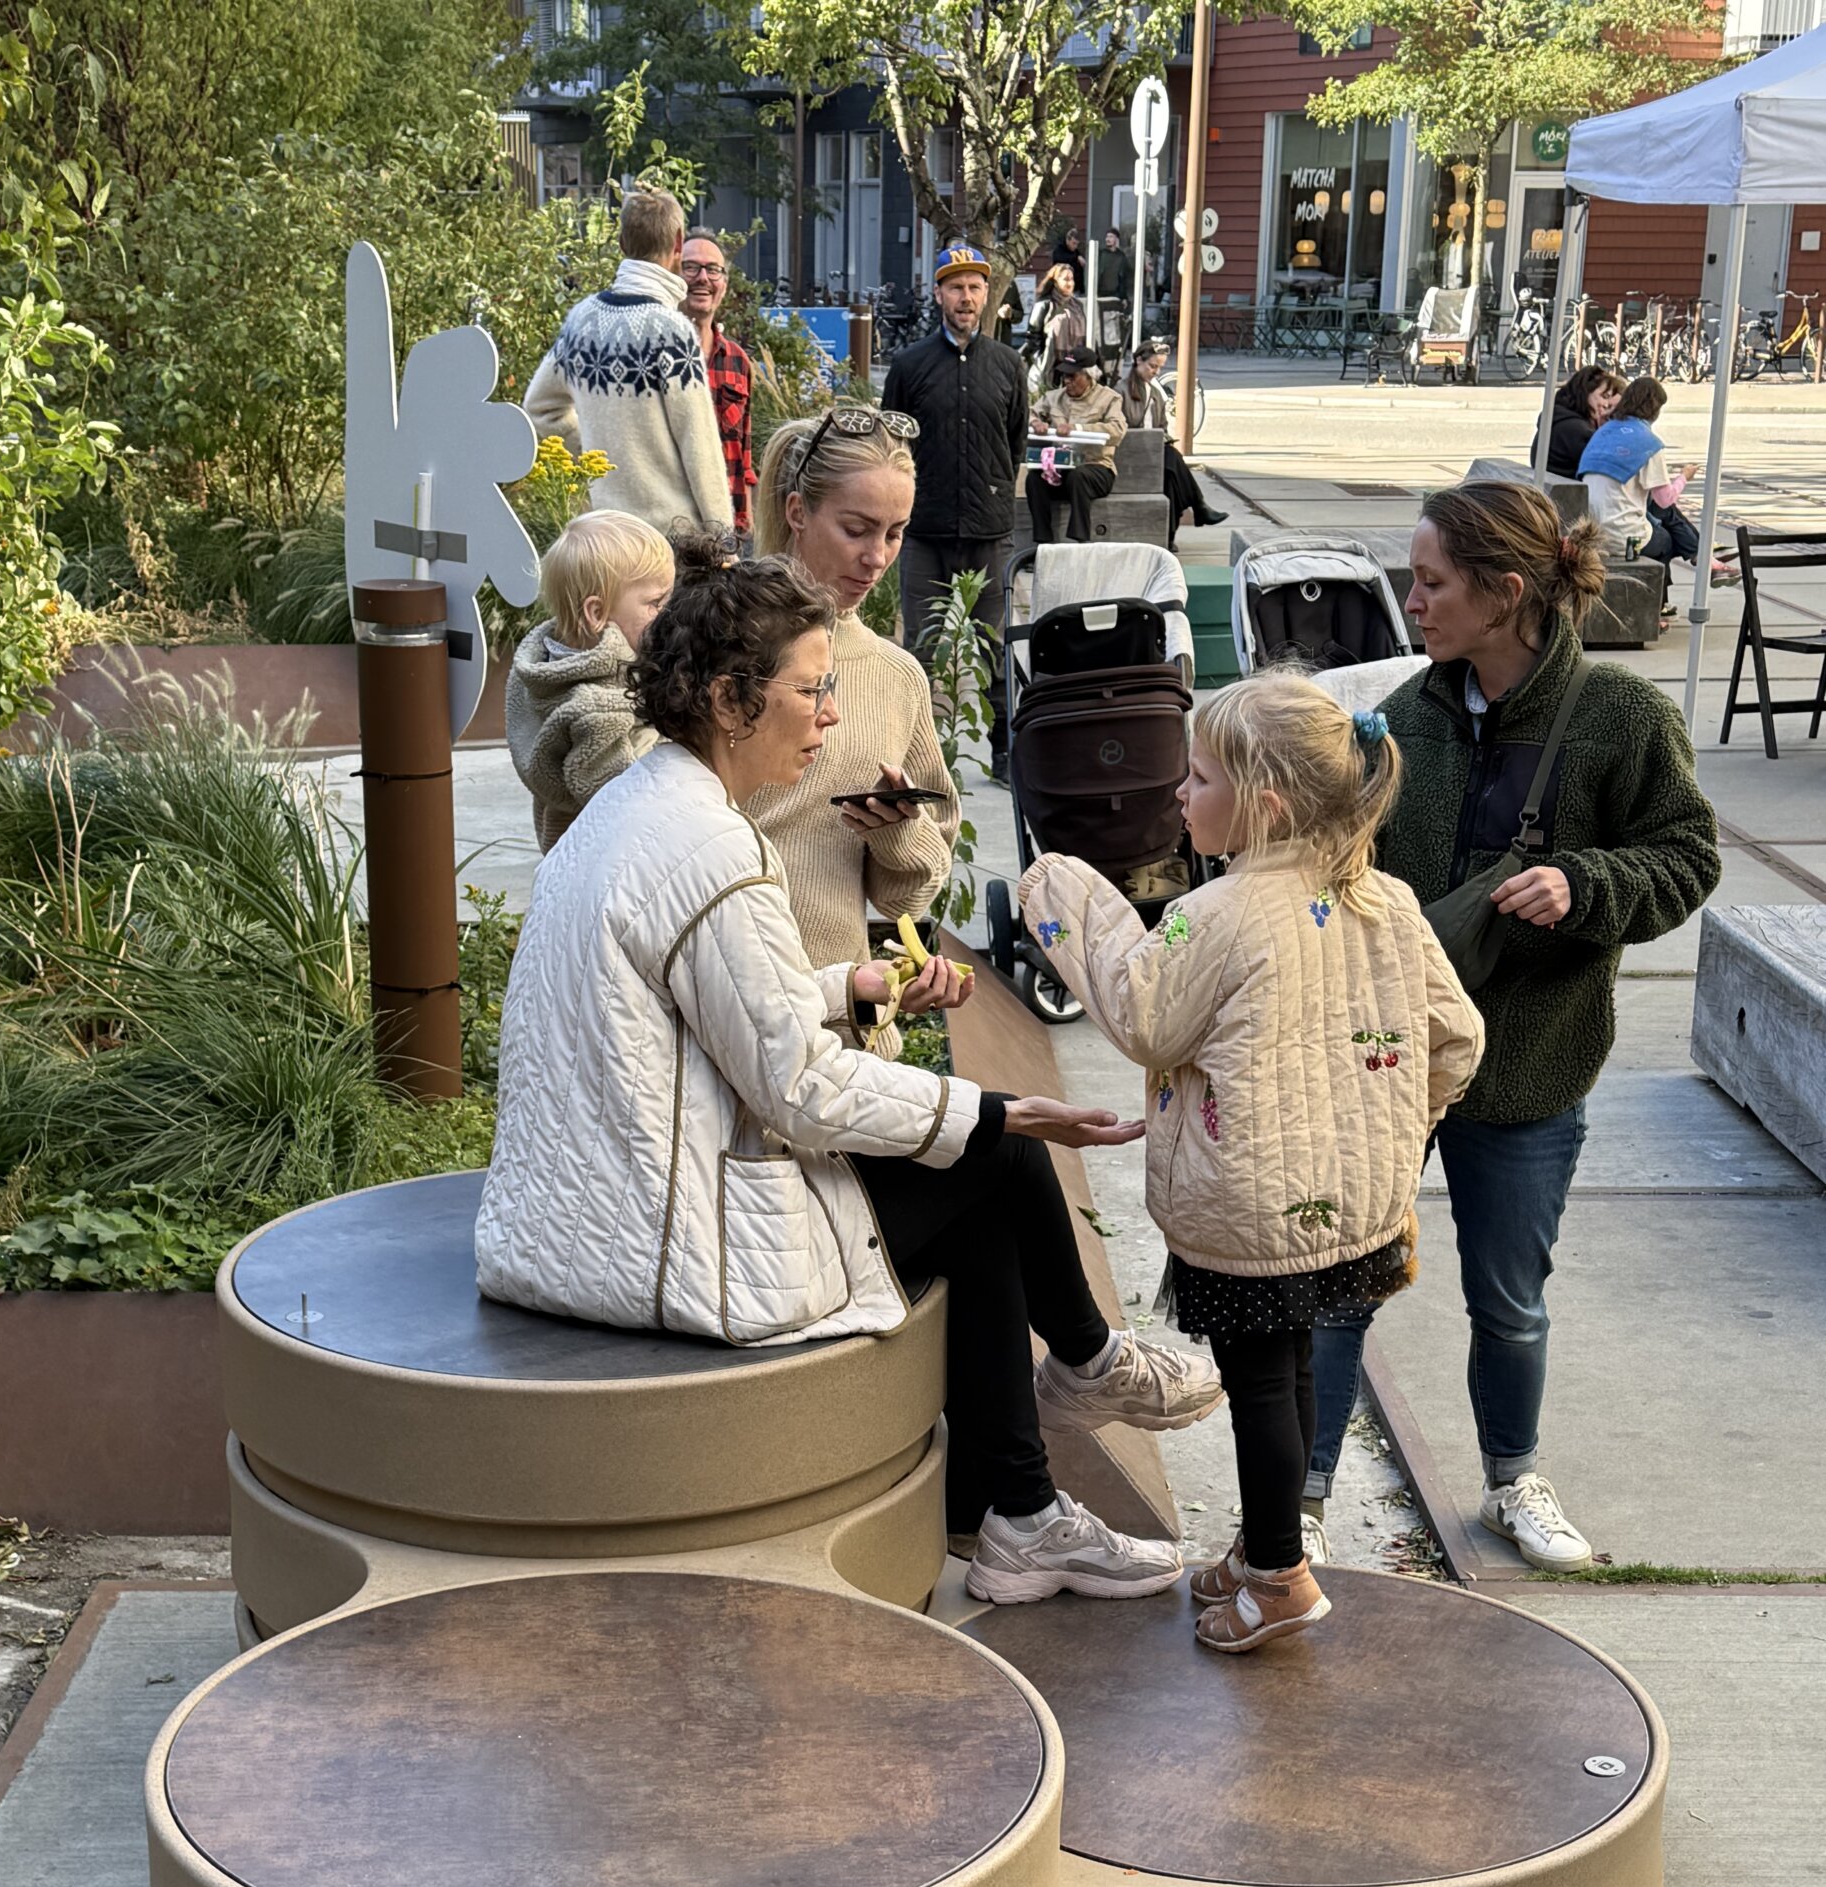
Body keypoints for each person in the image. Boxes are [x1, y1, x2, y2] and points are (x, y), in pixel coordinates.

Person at [475, 548, 1226, 1602]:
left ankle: (1030, 1498)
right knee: (995, 1157)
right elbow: (801, 1089)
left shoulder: (633, 809)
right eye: (810, 689)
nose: (831, 716)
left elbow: (713, 1010)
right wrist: (995, 1107)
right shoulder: (710, 848)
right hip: (668, 1246)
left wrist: (855, 987)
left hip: (585, 1218)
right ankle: (1068, 1416)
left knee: (979, 1163)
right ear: (729, 700)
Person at [1303, 482, 1721, 1570]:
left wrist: (1586, 883)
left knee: (1510, 1300)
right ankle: (1300, 1500)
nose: (1412, 600)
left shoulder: (1623, 718)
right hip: (1391, 1064)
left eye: (1432, 582)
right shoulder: (1404, 719)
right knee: (1338, 1285)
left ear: (1506, 592)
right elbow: (1338, 869)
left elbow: (1688, 857)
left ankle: (1510, 1481)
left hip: (1533, 1062)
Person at [1019, 677, 1483, 1650]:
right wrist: (1400, 1129)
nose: (1178, 795)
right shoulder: (1388, 902)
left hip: (1246, 1209)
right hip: (1351, 1208)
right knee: (1295, 1365)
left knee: (1261, 1383)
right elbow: (1458, 1039)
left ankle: (1279, 1578)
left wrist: (1067, 904)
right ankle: (1271, 1540)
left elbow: (1145, 1020)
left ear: (1263, 802)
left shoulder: (1215, 914)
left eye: (1197, 778)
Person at [747, 408, 956, 1060]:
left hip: (845, 1037)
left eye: (896, 533)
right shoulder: (717, 650)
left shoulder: (895, 676)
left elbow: (906, 899)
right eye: (857, 529)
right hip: (725, 1027)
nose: (877, 557)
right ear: (797, 511)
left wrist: (898, 833)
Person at [883, 241, 1029, 786]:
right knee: (921, 652)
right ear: (938, 294)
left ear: (986, 295)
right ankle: (920, 760)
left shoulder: (1008, 365)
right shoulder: (909, 366)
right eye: (955, 287)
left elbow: (1014, 443)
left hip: (989, 533)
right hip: (924, 530)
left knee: (993, 651)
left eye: (974, 287)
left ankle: (1004, 754)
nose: (965, 297)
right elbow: (891, 446)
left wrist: (992, 491)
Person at [523, 187, 733, 539]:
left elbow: (539, 409)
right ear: (678, 243)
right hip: (672, 541)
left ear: (621, 243)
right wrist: (723, 540)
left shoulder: (581, 322)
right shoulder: (672, 332)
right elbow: (699, 446)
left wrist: (596, 456)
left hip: (606, 532)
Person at [506, 512, 673, 854]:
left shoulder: (547, 665)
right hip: (605, 859)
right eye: (655, 603)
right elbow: (624, 799)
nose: (668, 614)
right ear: (596, 614)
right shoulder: (593, 707)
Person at [1577, 375, 1739, 600]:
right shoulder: (1648, 443)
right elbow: (1665, 499)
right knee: (1666, 541)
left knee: (1665, 516)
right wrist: (1684, 477)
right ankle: (1662, 599)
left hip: (1592, 531)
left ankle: (1705, 557)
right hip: (1623, 539)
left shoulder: (1602, 433)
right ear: (1655, 410)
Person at [680, 230, 756, 542]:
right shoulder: (654, 355)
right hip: (673, 525)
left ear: (724, 282)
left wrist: (746, 518)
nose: (703, 278)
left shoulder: (738, 361)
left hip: (727, 527)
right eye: (690, 267)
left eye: (713, 270)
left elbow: (744, 453)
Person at [1118, 339, 1227, 535]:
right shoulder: (1121, 390)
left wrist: (1162, 440)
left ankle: (1171, 532)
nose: (1156, 372)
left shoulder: (1155, 392)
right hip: (1131, 451)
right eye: (1153, 366)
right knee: (1173, 458)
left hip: (1153, 449)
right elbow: (1119, 427)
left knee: (1171, 476)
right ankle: (1199, 506)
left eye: (1159, 367)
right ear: (1138, 361)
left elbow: (1162, 426)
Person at [1027, 348, 1122, 547]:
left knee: (1078, 476)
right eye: (1064, 376)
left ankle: (1080, 540)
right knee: (1035, 479)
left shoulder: (1109, 398)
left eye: (1072, 376)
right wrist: (1035, 422)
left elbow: (1117, 429)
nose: (1067, 381)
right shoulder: (1054, 397)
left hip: (1097, 467)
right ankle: (1043, 542)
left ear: (1089, 376)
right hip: (1060, 469)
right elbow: (1029, 413)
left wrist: (1077, 428)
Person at [1533, 365, 1625, 479]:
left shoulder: (1559, 418)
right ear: (1586, 392)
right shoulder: (1576, 430)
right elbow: (1609, 466)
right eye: (1604, 396)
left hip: (1553, 484)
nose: (1606, 405)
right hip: (1568, 488)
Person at [1023, 261, 1085, 396]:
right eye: (1066, 279)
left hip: (1073, 365)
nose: (1070, 283)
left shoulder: (1078, 306)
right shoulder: (1044, 305)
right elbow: (1032, 337)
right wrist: (1039, 361)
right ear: (1055, 282)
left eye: (1072, 279)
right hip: (1050, 367)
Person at [1097, 226, 1133, 309]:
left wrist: (1124, 297)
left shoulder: (1121, 256)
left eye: (1111, 237)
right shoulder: (1101, 254)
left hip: (1115, 294)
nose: (1108, 239)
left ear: (1116, 239)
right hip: (1101, 293)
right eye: (1107, 237)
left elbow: (1123, 278)